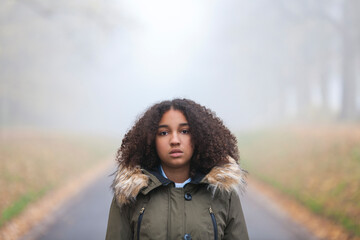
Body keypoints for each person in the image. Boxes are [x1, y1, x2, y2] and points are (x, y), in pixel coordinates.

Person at [105, 98, 249, 240]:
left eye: (185, 131)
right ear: (150, 140)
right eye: (163, 133)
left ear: (200, 136)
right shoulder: (130, 193)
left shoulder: (223, 191)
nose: (174, 140)